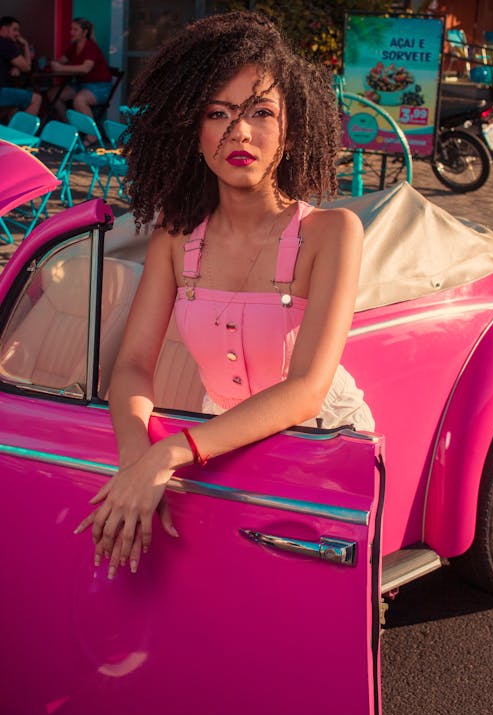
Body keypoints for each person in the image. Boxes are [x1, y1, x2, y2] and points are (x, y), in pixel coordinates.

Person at [74, 11, 375, 578]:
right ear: (193, 130)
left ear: (293, 127)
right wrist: (136, 457)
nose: (240, 133)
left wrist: (169, 451)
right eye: (219, 113)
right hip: (218, 453)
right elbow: (134, 366)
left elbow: (307, 391)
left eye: (261, 112)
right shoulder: (173, 237)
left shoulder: (332, 233)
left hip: (324, 450)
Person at [48, 17, 112, 133]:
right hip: (81, 85)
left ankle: (92, 134)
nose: (71, 32)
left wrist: (61, 68)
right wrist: (53, 63)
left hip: (100, 86)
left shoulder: (90, 46)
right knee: (53, 94)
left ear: (84, 32)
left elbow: (86, 68)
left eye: (75, 29)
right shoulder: (74, 47)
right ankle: (70, 127)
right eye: (71, 29)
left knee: (79, 100)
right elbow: (61, 60)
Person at [0, 16, 41, 116]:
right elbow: (27, 67)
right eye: (15, 30)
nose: (18, 34)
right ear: (4, 29)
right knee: (36, 99)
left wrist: (15, 66)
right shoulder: (5, 43)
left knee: (14, 107)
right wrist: (26, 45)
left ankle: (10, 130)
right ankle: (21, 132)